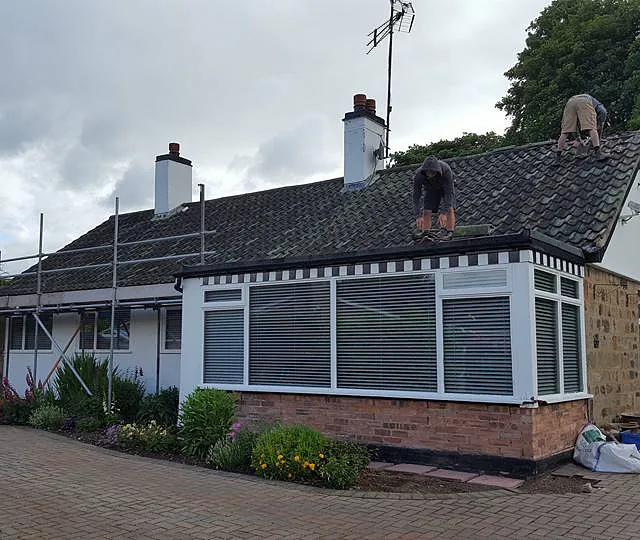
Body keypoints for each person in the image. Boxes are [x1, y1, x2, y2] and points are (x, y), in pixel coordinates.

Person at [555, 94, 609, 161]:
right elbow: (603, 113)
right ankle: (598, 153)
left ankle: (558, 157)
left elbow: (573, 128)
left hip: (570, 102)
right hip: (584, 101)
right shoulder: (599, 106)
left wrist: (579, 139)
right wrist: (598, 138)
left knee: (565, 132)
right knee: (592, 128)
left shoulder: (579, 109)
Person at [413, 156, 456, 238]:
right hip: (430, 188)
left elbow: (449, 194)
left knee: (450, 208)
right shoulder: (419, 175)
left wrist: (443, 213)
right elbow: (416, 196)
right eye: (428, 173)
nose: (430, 175)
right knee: (426, 210)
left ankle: (450, 232)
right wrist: (418, 216)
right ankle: (425, 233)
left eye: (432, 172)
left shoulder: (446, 170)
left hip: (445, 187)